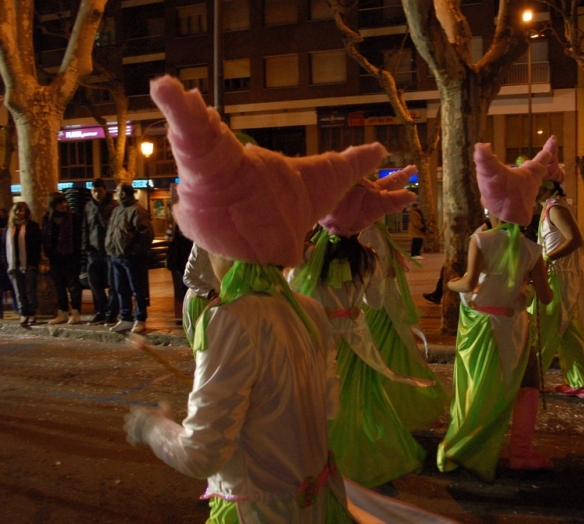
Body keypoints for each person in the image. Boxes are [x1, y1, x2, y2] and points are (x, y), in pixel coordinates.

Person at [124, 74, 403, 522]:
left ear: (225, 240)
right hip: (317, 502)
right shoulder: (306, 308)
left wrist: (153, 427)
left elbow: (202, 454)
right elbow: (326, 406)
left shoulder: (230, 321)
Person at [289, 176, 433, 490]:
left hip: (319, 339)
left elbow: (292, 289)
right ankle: (356, 458)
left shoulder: (310, 256)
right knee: (357, 402)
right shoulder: (367, 258)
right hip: (355, 340)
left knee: (316, 400)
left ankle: (319, 459)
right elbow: (376, 300)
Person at [437, 142, 554, 482]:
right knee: (525, 386)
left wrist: (452, 282)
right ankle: (521, 452)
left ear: (494, 207)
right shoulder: (532, 250)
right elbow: (544, 298)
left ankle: (463, 447)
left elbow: (468, 282)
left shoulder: (481, 240)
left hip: (482, 329)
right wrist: (526, 290)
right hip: (516, 327)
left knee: (479, 390)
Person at [359, 165, 450, 432]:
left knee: (387, 354)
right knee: (386, 354)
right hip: (381, 305)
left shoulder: (372, 233)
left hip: (383, 304)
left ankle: (391, 405)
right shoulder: (371, 233)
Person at [528, 136, 584, 399]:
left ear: (543, 186)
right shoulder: (549, 208)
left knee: (542, 329)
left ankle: (530, 382)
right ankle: (580, 383)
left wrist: (545, 259)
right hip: (564, 279)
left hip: (556, 279)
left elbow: (575, 239)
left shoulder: (555, 208)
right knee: (569, 333)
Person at [105, 183, 154, 334]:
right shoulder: (117, 210)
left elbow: (146, 234)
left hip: (131, 258)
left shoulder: (137, 211)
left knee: (137, 289)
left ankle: (140, 318)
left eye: (117, 191)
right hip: (116, 256)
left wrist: (134, 251)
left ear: (124, 194)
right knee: (120, 288)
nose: (115, 193)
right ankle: (125, 318)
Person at [41, 192, 83, 325]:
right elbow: (45, 239)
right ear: (53, 205)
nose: (64, 205)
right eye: (60, 203)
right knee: (59, 287)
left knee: (74, 286)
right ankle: (62, 313)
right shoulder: (47, 218)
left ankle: (76, 313)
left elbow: (78, 238)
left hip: (71, 257)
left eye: (64, 202)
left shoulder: (73, 218)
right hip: (55, 258)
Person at [82, 178, 119, 325]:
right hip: (94, 251)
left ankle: (112, 312)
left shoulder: (113, 206)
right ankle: (100, 310)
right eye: (94, 191)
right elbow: (85, 227)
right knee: (94, 283)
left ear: (105, 190)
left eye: (99, 191)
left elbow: (113, 228)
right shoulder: (88, 206)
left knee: (112, 284)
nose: (96, 194)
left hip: (109, 251)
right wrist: (86, 246)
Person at [5, 202, 41, 326]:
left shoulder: (32, 227)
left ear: (26, 212)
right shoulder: (9, 229)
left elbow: (36, 246)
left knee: (30, 290)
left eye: (22, 210)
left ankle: (32, 313)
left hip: (28, 264)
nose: (19, 213)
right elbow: (4, 248)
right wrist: (7, 263)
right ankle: (23, 313)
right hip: (14, 265)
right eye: (17, 210)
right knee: (19, 291)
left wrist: (34, 263)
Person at [181, 243, 220, 346]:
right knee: (204, 351)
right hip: (201, 302)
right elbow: (188, 277)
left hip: (220, 304)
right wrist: (211, 293)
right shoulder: (202, 243)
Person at [165, 220, 193, 326]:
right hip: (179, 260)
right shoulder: (178, 222)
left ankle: (187, 314)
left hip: (183, 259)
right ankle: (184, 314)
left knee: (185, 289)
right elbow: (170, 237)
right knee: (181, 289)